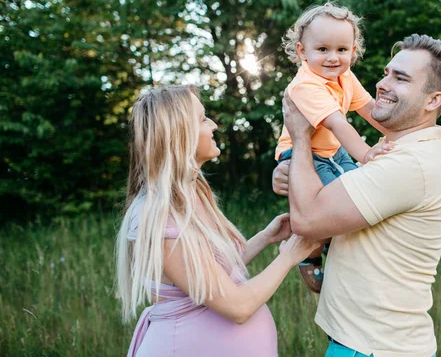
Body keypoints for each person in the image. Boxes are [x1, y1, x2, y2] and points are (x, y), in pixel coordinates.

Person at [273, 34, 441, 357]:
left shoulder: (408, 164)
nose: (382, 83)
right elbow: (321, 200)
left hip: (375, 348)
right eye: (387, 72)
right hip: (368, 342)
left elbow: (307, 219)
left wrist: (300, 138)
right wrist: (292, 172)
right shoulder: (394, 154)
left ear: (433, 101)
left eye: (400, 78)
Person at [116, 85, 319, 357]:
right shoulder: (159, 218)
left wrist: (265, 237)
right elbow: (237, 307)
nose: (212, 125)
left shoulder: (194, 192)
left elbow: (211, 277)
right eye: (202, 119)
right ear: (179, 134)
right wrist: (289, 256)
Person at [276, 2, 390, 293]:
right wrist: (366, 153)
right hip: (303, 153)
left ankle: (344, 257)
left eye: (341, 50)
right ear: (302, 52)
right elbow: (339, 124)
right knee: (333, 206)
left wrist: (399, 134)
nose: (332, 58)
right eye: (322, 49)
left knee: (359, 190)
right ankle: (308, 252)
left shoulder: (345, 77)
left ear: (353, 51)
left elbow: (370, 109)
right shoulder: (306, 85)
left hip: (332, 150)